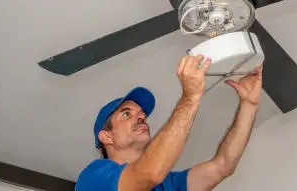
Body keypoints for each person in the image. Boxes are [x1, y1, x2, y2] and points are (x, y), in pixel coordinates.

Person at [75, 54, 262, 191]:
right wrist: (191, 97)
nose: (140, 116)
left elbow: (222, 166)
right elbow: (148, 174)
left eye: (141, 113)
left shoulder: (167, 184)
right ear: (106, 136)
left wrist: (249, 104)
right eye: (126, 114)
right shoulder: (95, 177)